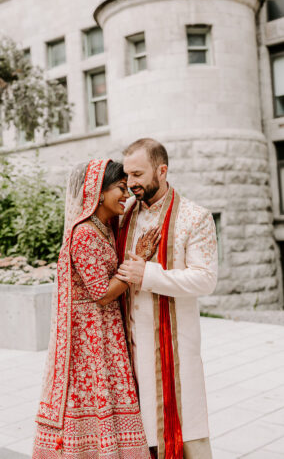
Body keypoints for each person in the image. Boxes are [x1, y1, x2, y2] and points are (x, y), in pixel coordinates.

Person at [32, 159, 160, 459]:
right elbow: (102, 294)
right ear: (98, 193)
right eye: (120, 189)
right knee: (95, 397)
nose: (126, 196)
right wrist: (137, 260)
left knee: (109, 398)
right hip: (89, 338)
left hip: (104, 331)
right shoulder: (85, 234)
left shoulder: (103, 229)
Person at [116, 139, 218, 459]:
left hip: (176, 346)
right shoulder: (124, 217)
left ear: (162, 170)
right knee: (141, 430)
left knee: (188, 431)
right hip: (131, 346)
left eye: (138, 174)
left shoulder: (194, 217)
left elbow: (205, 279)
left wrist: (147, 275)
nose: (131, 182)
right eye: (127, 175)